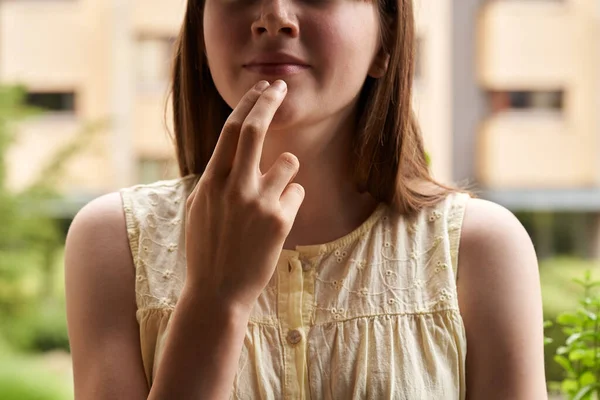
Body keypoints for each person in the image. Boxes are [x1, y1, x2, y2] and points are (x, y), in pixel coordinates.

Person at [64, 0, 548, 398]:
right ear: (200, 31)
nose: (274, 16)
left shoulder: (481, 250)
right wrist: (216, 299)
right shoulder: (114, 241)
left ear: (386, 40)